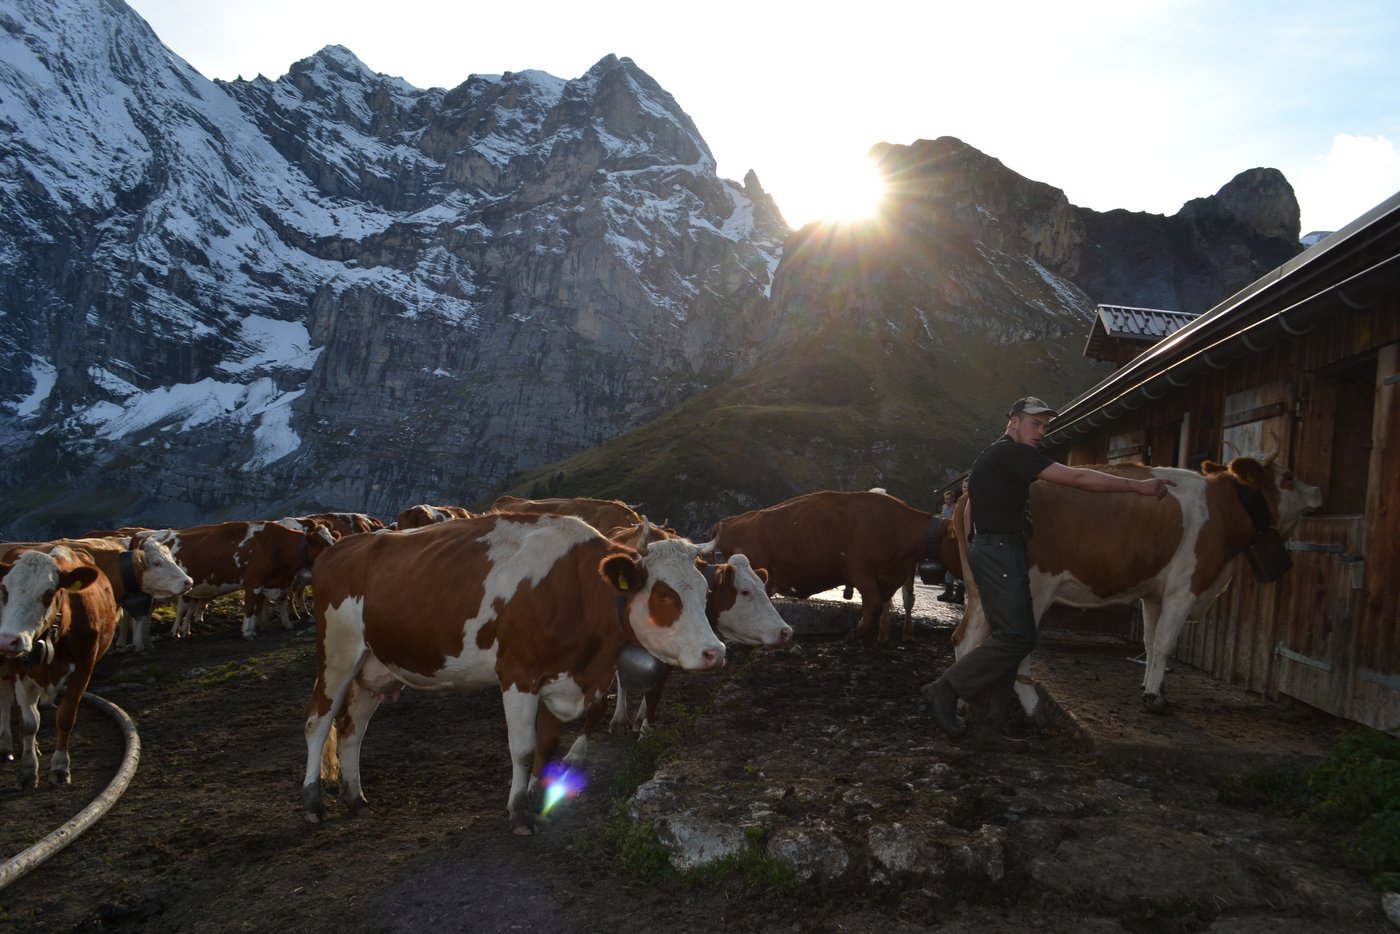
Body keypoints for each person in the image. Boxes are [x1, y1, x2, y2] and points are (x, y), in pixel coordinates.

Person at [922, 396, 1174, 740]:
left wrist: (978, 550)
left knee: (1008, 638)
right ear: (1013, 422)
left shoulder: (994, 455)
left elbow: (969, 512)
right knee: (1018, 637)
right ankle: (946, 689)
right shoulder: (1014, 453)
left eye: (1045, 426)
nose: (1041, 431)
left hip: (996, 549)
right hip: (1000, 551)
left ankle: (985, 728)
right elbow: (1078, 479)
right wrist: (1136, 485)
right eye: (1034, 424)